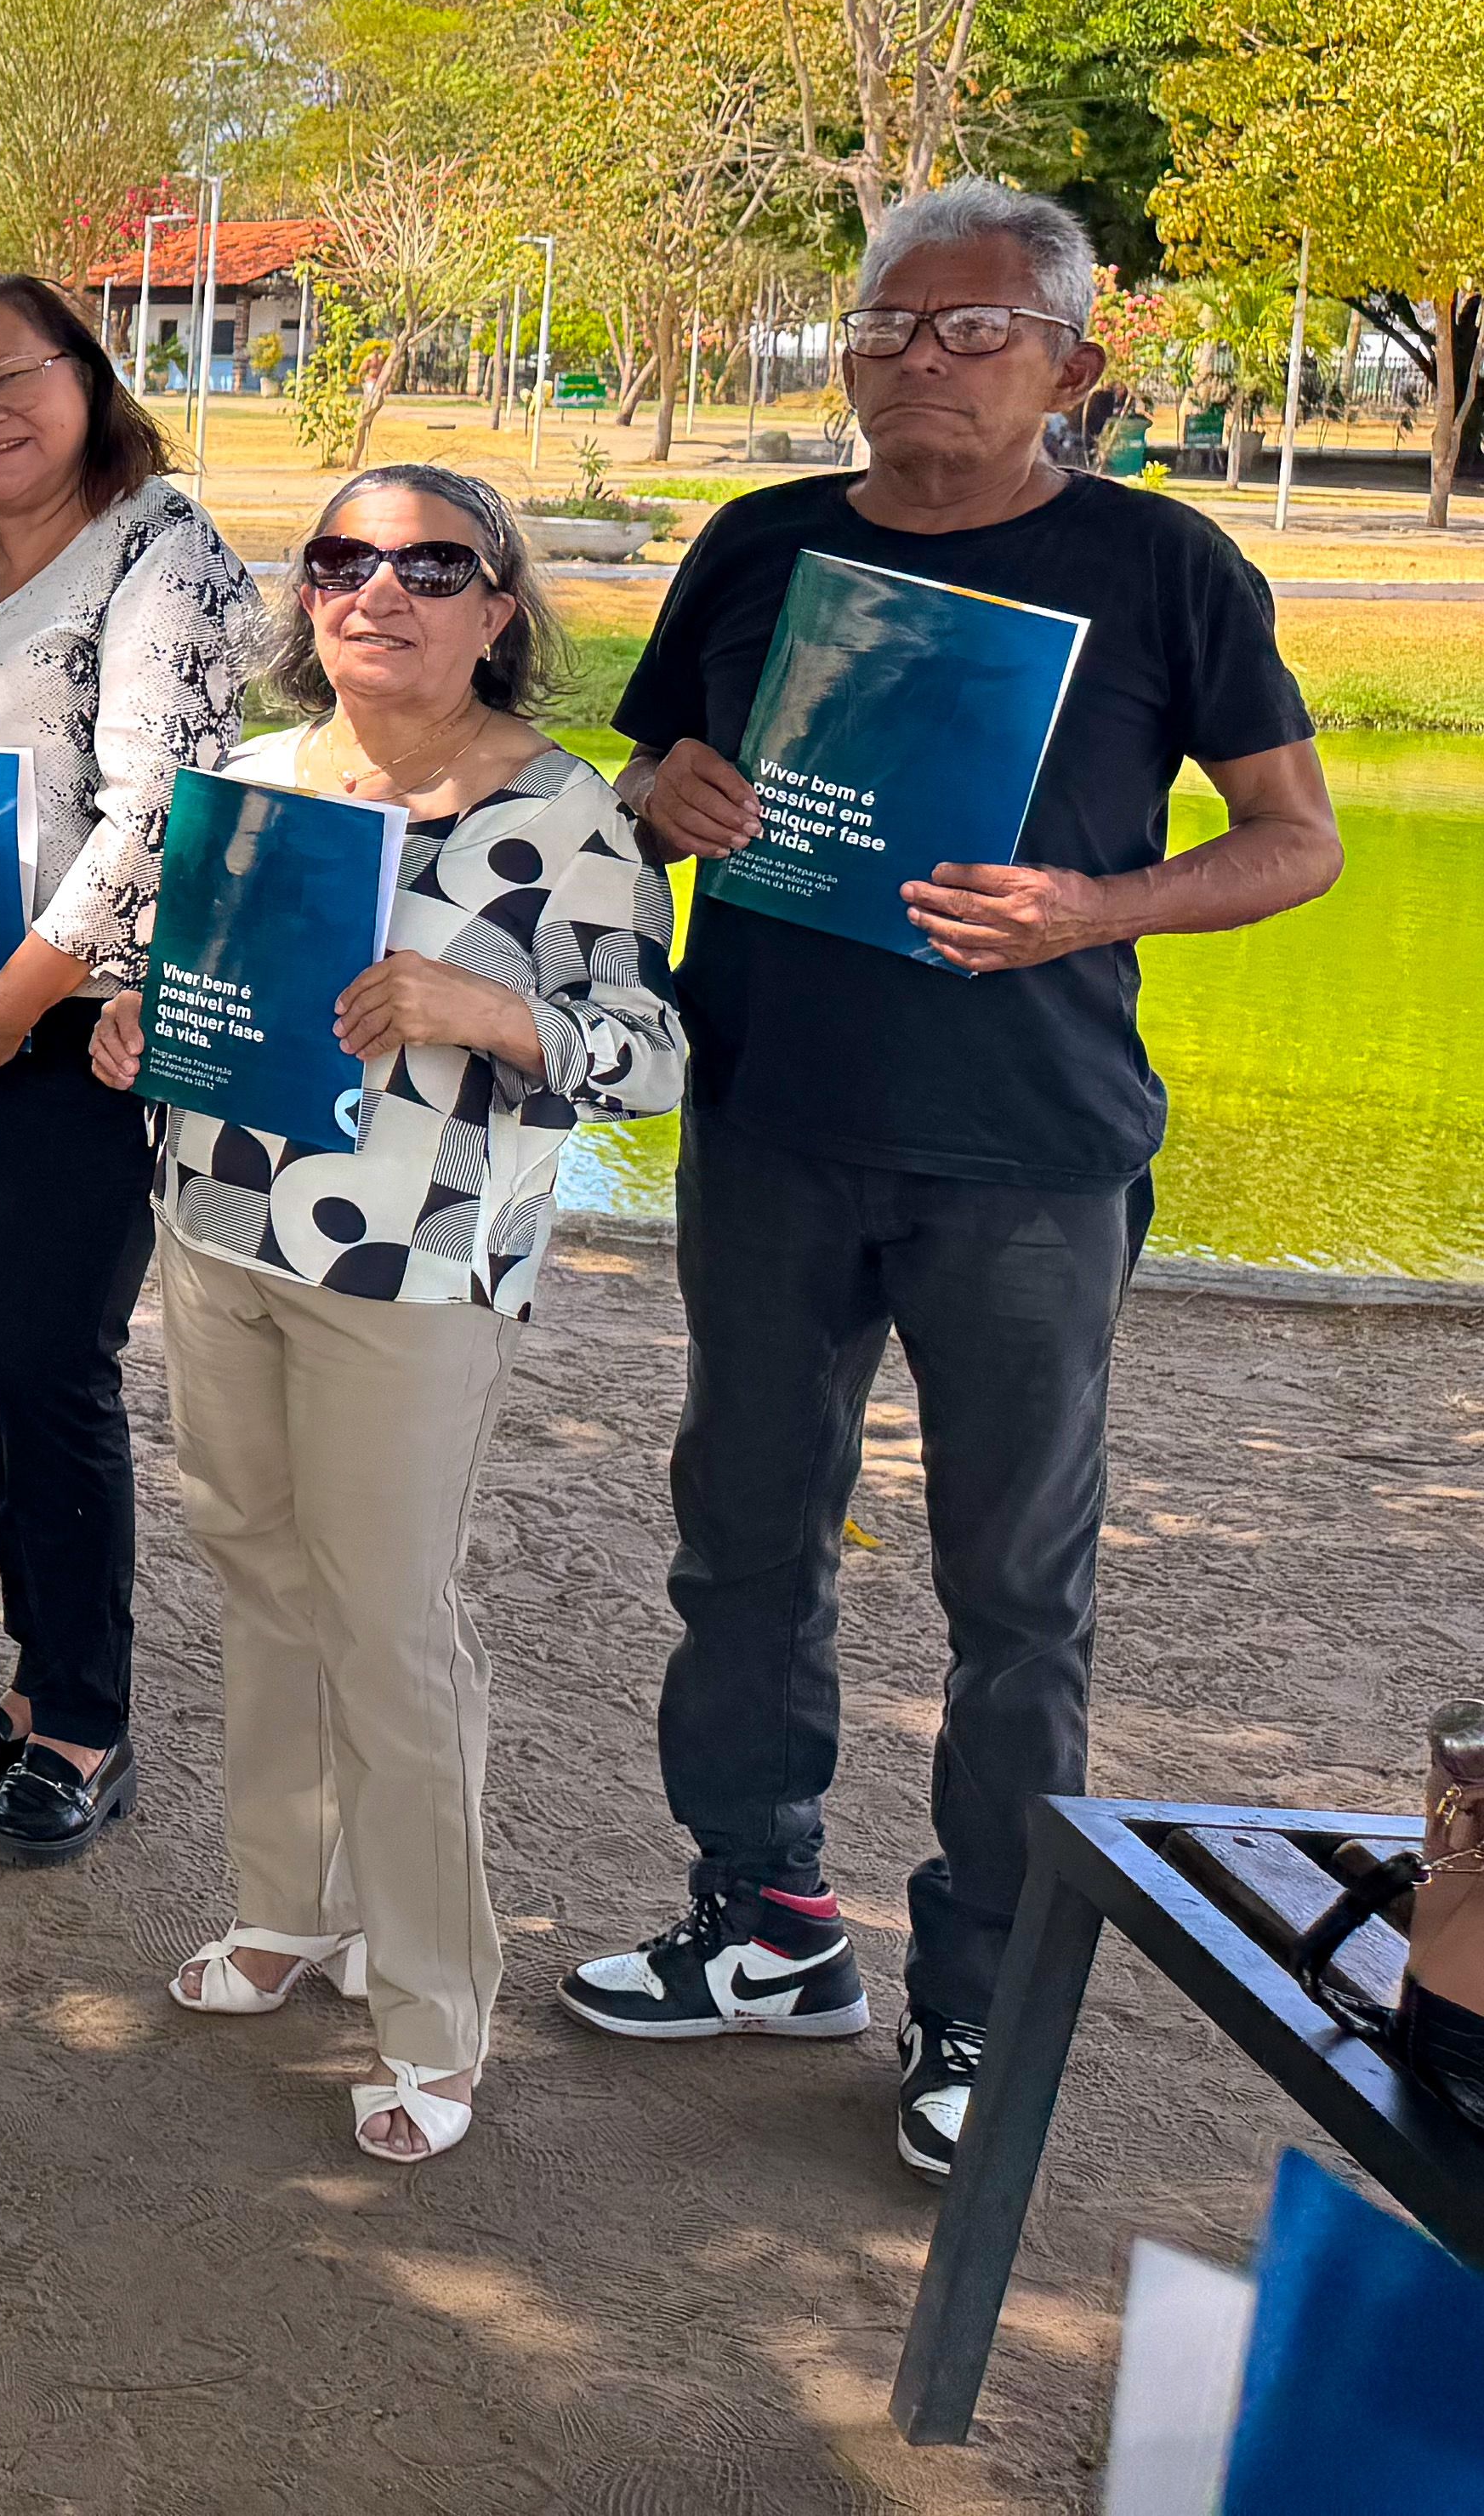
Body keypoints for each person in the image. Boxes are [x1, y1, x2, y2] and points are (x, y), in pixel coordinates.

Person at [561, 181, 1338, 2179]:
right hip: (770, 1125)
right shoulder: (762, 543)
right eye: (887, 323)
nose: (918, 357)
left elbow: (1294, 842)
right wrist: (668, 797)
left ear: (1072, 365)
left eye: (971, 328)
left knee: (1017, 1595)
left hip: (1030, 1159)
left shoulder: (1164, 566)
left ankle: (979, 2004)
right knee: (743, 1535)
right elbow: (633, 791)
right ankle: (761, 1919)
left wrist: (1099, 904)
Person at [89, 466, 684, 2165]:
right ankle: (290, 1910)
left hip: (416, 1280)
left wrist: (488, 1011)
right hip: (218, 1235)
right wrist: (132, 1027)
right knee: (262, 1577)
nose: (380, 591)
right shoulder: (258, 785)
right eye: (344, 559)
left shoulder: (568, 817)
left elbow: (650, 1054)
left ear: (501, 608)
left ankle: (433, 2005)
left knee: (393, 1633)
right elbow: (189, 992)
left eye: (434, 565)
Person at [0, 270, 264, 1863]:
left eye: (10, 374)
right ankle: (36, 1688)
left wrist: (12, 1002)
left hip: (79, 1038)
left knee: (52, 1366)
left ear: (87, 374)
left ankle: (90, 1720)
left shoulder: (167, 556)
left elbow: (158, 814)